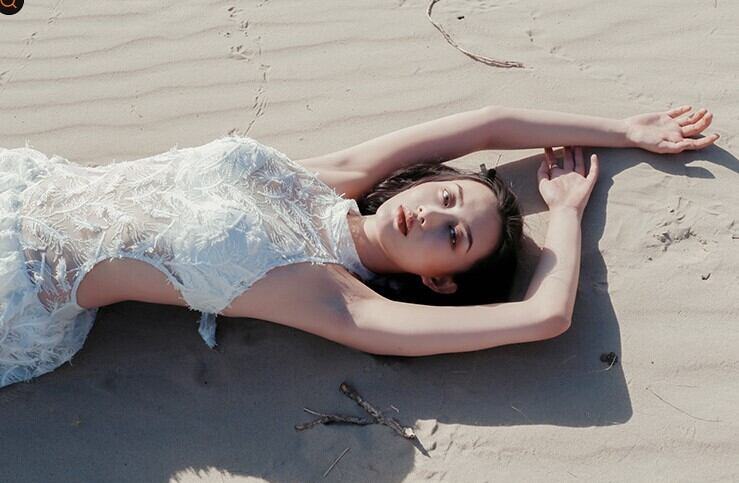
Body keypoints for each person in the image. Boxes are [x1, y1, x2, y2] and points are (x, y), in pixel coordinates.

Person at [0, 104, 718, 387]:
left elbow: (546, 317)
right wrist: (624, 133)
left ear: (441, 282)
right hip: (22, 185)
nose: (430, 215)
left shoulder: (336, 300)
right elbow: (487, 124)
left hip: (17, 285)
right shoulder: (329, 181)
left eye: (453, 236)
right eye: (444, 197)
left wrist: (564, 212)